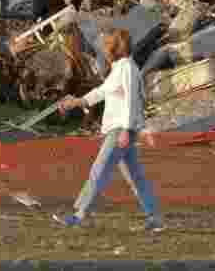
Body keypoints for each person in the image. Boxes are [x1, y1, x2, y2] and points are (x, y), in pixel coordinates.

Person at [52, 28, 163, 231]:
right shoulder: (120, 68)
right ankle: (154, 218)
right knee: (135, 177)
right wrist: (78, 101)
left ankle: (79, 215)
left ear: (114, 47)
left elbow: (131, 100)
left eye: (107, 45)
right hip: (123, 130)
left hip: (120, 130)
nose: (104, 49)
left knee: (99, 170)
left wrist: (126, 129)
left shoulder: (127, 68)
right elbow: (102, 92)